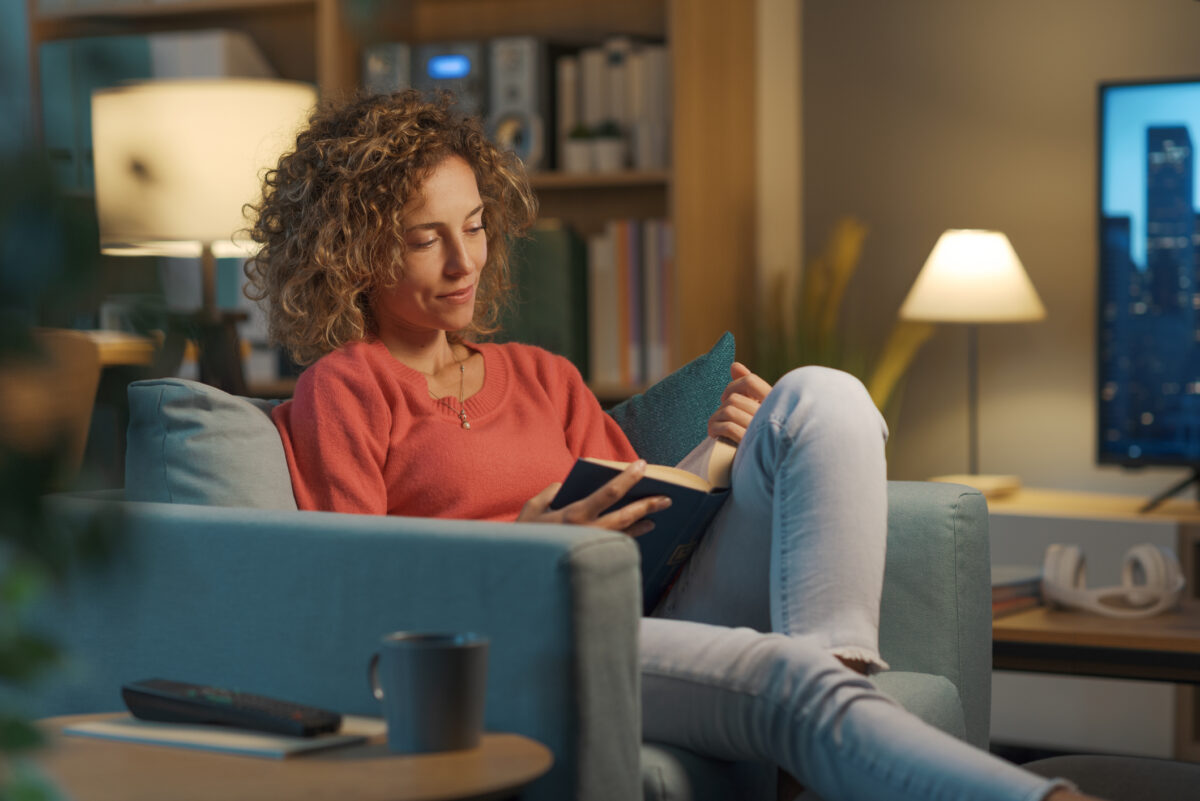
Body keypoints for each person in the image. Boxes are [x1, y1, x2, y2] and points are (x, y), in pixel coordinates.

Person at [246, 90, 1099, 801]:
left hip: (646, 604)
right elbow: (350, 594)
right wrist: (521, 555)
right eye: (426, 237)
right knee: (781, 674)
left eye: (472, 226)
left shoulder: (543, 375)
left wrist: (722, 457)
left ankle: (831, 705)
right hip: (521, 637)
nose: (464, 260)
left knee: (821, 397)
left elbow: (644, 500)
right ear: (353, 255)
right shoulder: (348, 386)